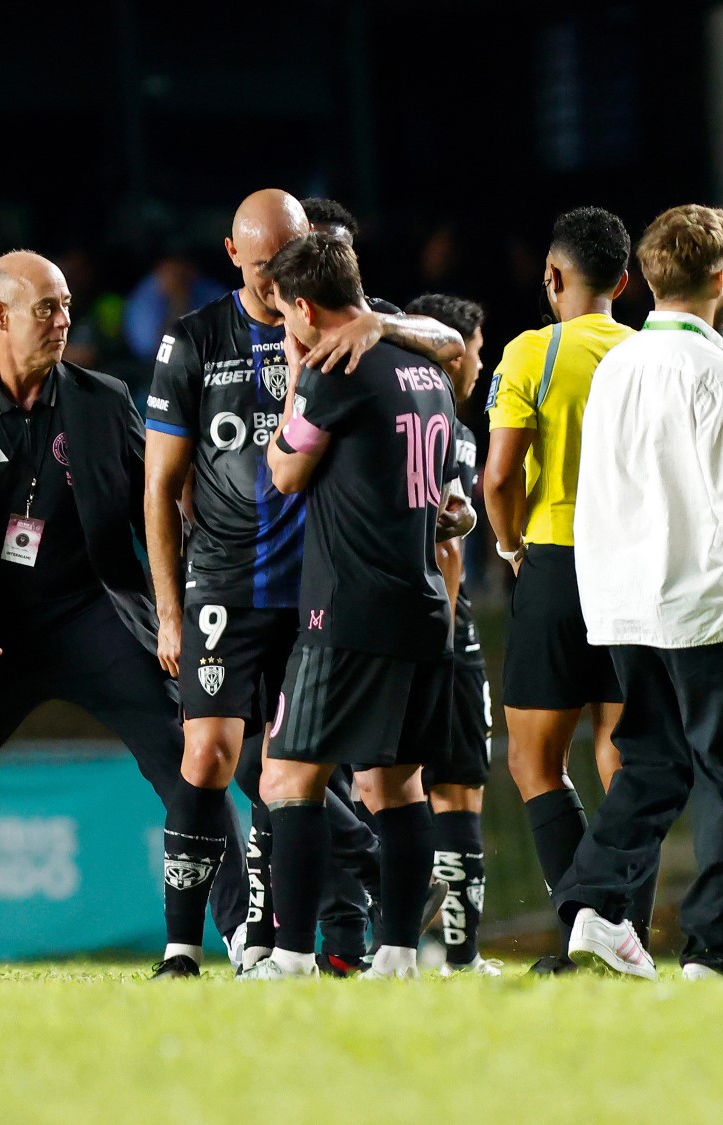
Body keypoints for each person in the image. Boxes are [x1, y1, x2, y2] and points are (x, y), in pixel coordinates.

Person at [0, 251, 242, 982]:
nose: (65, 319)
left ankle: (247, 940)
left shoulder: (105, 402)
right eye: (46, 307)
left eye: (67, 303)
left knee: (189, 760)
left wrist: (177, 610)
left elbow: (168, 504)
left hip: (89, 611)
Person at [144, 190, 426, 976]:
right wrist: (169, 610)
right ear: (232, 256)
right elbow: (160, 484)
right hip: (226, 585)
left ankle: (282, 939)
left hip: (324, 588)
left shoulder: (358, 327)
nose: (276, 284)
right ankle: (181, 945)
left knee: (293, 770)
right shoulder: (195, 339)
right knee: (208, 756)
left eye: (291, 262)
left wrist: (388, 323)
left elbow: (449, 345)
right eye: (262, 265)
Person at [560, 204, 723, 981]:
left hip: (623, 603)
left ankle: (598, 908)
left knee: (651, 766)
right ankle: (722, 949)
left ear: (647, 280)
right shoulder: (718, 371)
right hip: (706, 605)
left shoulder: (618, 365)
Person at [242, 232, 461, 981]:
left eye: (285, 317)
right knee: (395, 786)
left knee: (287, 777)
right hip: (421, 603)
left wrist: (297, 380)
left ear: (304, 306)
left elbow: (284, 474)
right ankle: (398, 952)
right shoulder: (424, 370)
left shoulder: (335, 368)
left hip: (347, 611)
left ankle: (295, 955)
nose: (285, 331)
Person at [479, 207, 638, 974]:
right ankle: (622, 927)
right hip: (639, 568)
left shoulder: (531, 353)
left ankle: (585, 920)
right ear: (626, 281)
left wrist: (509, 544)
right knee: (623, 754)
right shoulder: (649, 356)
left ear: (552, 277)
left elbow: (500, 474)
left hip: (556, 561)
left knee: (535, 761)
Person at [406, 292, 498, 975]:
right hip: (428, 625)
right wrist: (441, 620)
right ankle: (410, 944)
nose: (478, 361)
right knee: (407, 781)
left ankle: (449, 953)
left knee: (453, 783)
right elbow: (446, 542)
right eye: (472, 347)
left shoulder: (459, 432)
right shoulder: (435, 428)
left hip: (435, 624)